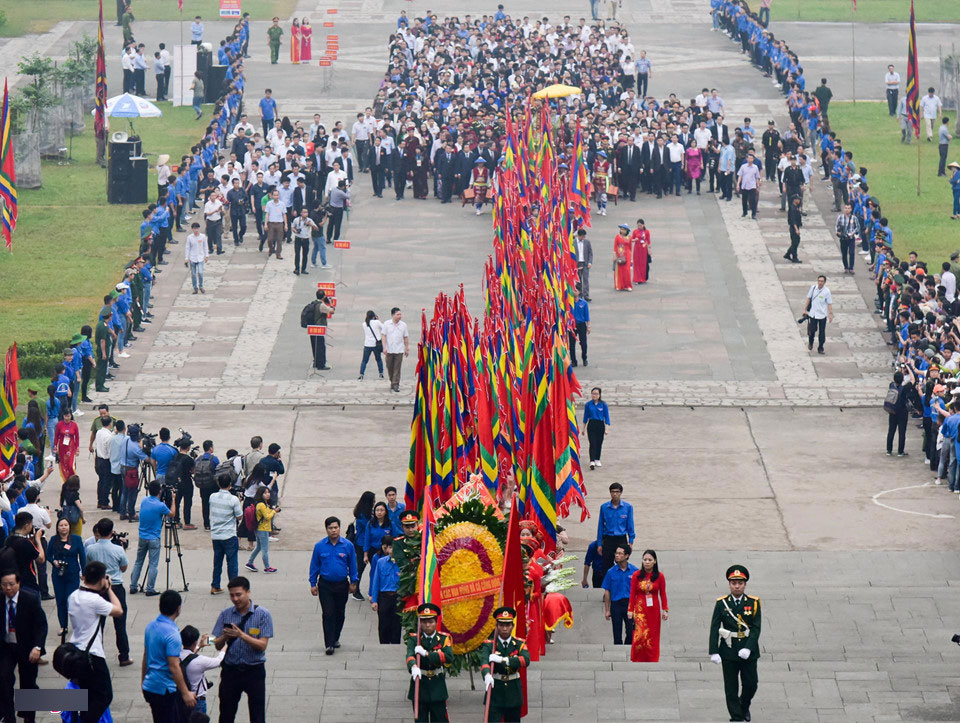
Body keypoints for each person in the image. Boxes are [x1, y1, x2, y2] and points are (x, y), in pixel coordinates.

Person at [66, 561, 124, 723]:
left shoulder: (74, 596)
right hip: (93, 655)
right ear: (101, 580)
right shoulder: (94, 601)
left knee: (87, 695)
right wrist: (110, 589)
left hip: (76, 652)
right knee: (105, 695)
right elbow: (119, 610)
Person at [212, 576, 274, 723]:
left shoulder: (262, 614)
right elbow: (216, 644)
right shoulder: (225, 614)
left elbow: (262, 645)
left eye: (238, 594)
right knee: (226, 713)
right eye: (232, 595)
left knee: (257, 714)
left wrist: (241, 635)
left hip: (254, 670)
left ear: (248, 593)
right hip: (231, 670)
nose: (235, 599)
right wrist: (225, 637)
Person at [709, 565, 761, 723]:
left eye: (740, 583)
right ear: (729, 584)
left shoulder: (754, 603)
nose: (737, 586)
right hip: (729, 650)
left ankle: (744, 706)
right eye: (733, 582)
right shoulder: (721, 604)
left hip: (748, 650)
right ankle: (736, 717)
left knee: (751, 684)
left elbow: (756, 628)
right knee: (731, 688)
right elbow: (714, 627)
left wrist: (748, 647)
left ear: (745, 584)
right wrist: (714, 650)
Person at [141, 590, 197, 719]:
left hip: (150, 685)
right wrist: (185, 693)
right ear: (178, 608)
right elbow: (174, 666)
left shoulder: (151, 626)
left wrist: (143, 681)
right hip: (164, 688)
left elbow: (146, 656)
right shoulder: (173, 634)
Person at [0, 570, 46, 723]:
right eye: (4, 585)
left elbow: (41, 625)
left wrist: (38, 647)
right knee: (3, 679)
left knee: (28, 683)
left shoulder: (30, 600)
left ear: (18, 584)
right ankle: (8, 716)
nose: (8, 588)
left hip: (26, 646)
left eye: (11, 584)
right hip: (6, 647)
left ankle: (28, 716)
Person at [84, 518, 131, 666]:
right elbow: (123, 567)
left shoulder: (91, 549)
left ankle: (97, 654)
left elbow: (88, 565)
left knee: (98, 624)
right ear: (112, 532)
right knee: (120, 624)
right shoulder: (117, 549)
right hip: (115, 586)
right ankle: (123, 656)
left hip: (97, 588)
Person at [308, 516, 358, 654]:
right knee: (328, 613)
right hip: (325, 585)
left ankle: (336, 637)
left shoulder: (348, 545)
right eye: (330, 528)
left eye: (336, 528)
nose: (333, 530)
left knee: (339, 612)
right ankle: (329, 644)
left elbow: (353, 564)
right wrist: (313, 583)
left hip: (342, 585)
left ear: (340, 528)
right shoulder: (320, 546)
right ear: (326, 529)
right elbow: (314, 566)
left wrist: (354, 582)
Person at [406, 602, 452, 722]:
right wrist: (414, 666)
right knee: (420, 719)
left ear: (436, 623)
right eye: (424, 622)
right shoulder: (414, 639)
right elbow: (409, 655)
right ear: (420, 623)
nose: (427, 625)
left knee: (440, 719)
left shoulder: (443, 639)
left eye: (431, 622)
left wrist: (426, 654)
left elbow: (448, 657)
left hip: (437, 685)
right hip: (420, 684)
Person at [45, 517, 85, 638]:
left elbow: (82, 556)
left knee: (71, 600)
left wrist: (84, 572)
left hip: (72, 573)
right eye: (61, 525)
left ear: (69, 527)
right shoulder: (53, 540)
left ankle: (76, 625)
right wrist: (53, 561)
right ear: (57, 527)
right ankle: (63, 625)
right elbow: (48, 555)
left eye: (66, 525)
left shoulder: (76, 540)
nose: (63, 527)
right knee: (60, 600)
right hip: (58, 574)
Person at [129, 481, 171, 596]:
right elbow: (172, 514)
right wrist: (173, 500)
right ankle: (150, 588)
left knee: (139, 561)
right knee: (153, 564)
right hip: (154, 538)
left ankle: (133, 585)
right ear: (159, 491)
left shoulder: (144, 500)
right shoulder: (161, 506)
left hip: (142, 536)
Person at [627, 550, 668, 662]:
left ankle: (652, 657)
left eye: (650, 560)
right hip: (640, 609)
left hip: (653, 610)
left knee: (653, 635)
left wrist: (665, 610)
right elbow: (632, 593)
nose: (647, 562)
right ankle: (637, 657)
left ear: (654, 561)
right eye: (645, 560)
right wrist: (630, 609)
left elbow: (663, 594)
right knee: (639, 634)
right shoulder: (636, 575)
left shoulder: (660, 576)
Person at [179, 625, 225, 716]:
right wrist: (226, 645)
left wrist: (199, 646)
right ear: (195, 641)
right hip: (198, 700)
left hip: (182, 698)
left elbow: (188, 657)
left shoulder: (176, 656)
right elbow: (219, 661)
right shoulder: (200, 661)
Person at [209, 474, 243, 595]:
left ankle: (215, 585)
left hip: (216, 534)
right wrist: (239, 502)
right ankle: (234, 587)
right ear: (230, 485)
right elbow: (239, 516)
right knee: (232, 562)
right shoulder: (233, 499)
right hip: (229, 534)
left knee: (217, 561)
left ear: (219, 483)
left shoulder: (212, 497)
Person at [602, 544, 638, 646]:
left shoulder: (635, 571)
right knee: (617, 633)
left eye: (619, 553)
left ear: (626, 555)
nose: (617, 556)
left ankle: (627, 649)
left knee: (631, 631)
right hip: (616, 604)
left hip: (630, 604)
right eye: (616, 553)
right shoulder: (611, 572)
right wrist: (607, 610)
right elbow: (607, 591)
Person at [596, 482, 635, 576]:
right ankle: (608, 588)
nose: (615, 494)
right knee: (607, 565)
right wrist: (599, 544)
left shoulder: (627, 507)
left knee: (622, 564)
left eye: (617, 492)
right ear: (610, 493)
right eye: (613, 492)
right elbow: (600, 526)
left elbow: (630, 525)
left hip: (621, 538)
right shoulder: (604, 507)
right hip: (608, 539)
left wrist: (630, 541)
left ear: (621, 493)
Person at [368, 536, 401, 644]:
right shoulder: (381, 562)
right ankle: (384, 644)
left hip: (398, 597)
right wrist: (374, 600)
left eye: (394, 547)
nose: (392, 550)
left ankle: (395, 644)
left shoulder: (402, 563)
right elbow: (376, 581)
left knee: (397, 624)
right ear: (387, 549)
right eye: (390, 547)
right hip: (384, 597)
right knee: (383, 624)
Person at [4, 512, 45, 594]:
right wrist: (38, 539)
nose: (31, 527)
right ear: (26, 526)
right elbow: (41, 559)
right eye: (31, 525)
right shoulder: (25, 543)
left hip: (14, 580)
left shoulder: (9, 539)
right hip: (28, 582)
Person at [244, 487, 278, 574]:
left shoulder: (261, 504)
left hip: (260, 529)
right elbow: (267, 516)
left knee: (258, 547)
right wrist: (274, 511)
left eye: (268, 492)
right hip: (263, 529)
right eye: (265, 493)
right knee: (265, 549)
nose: (268, 494)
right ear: (260, 494)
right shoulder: (261, 505)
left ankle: (250, 562)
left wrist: (272, 510)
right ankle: (267, 567)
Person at [887, 366, 917, 457]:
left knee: (891, 430)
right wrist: (908, 367)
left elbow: (897, 378)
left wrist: (899, 372)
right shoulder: (905, 388)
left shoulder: (891, 385)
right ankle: (900, 451)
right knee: (902, 432)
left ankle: (889, 450)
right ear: (903, 379)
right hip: (902, 412)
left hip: (892, 411)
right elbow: (912, 379)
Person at [304, 290, 335, 371]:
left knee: (314, 345)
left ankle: (316, 362)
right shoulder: (322, 306)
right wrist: (331, 303)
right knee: (320, 346)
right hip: (319, 328)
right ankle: (321, 364)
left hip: (312, 327)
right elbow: (332, 311)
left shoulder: (313, 303)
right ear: (324, 296)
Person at [382, 307, 410, 393]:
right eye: (398, 314)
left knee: (397, 368)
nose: (400, 316)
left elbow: (405, 337)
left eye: (400, 314)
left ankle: (395, 384)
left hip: (399, 350)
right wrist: (384, 347)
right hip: (389, 350)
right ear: (393, 315)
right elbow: (383, 336)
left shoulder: (403, 325)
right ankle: (392, 381)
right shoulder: (386, 324)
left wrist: (407, 348)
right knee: (390, 367)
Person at [804, 275, 833, 355]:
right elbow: (808, 298)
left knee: (822, 332)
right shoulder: (813, 288)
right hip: (813, 314)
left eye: (822, 281)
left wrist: (830, 313)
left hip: (822, 315)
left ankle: (820, 347)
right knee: (812, 330)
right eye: (819, 281)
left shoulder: (827, 291)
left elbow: (829, 303)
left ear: (824, 282)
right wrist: (805, 309)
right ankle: (811, 342)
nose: (820, 283)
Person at [582, 387, 610, 470]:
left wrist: (607, 429)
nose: (594, 395)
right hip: (591, 424)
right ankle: (592, 461)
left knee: (599, 443)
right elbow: (585, 418)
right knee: (592, 443)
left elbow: (607, 417)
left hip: (600, 425)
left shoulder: (603, 404)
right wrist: (583, 429)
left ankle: (597, 459)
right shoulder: (588, 405)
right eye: (593, 393)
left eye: (596, 394)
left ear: (599, 395)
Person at [835, 203, 861, 274]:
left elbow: (857, 227)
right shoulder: (840, 217)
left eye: (848, 208)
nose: (847, 210)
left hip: (851, 238)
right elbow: (837, 226)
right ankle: (846, 267)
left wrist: (853, 233)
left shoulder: (854, 218)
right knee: (844, 253)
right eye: (846, 208)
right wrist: (838, 232)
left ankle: (851, 267)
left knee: (852, 253)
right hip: (843, 238)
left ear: (851, 209)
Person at [54, 410, 79, 481]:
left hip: (71, 447)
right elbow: (56, 436)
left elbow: (77, 437)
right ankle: (65, 480)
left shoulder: (74, 425)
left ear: (71, 416)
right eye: (65, 416)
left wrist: (77, 448)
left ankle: (72, 480)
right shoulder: (59, 424)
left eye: (68, 416)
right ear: (63, 416)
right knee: (64, 465)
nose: (67, 418)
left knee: (70, 465)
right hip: (62, 447)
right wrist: (55, 446)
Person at [184, 222, 209, 294]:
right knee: (193, 274)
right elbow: (187, 248)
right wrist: (186, 258)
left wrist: (206, 255)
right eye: (194, 229)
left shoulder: (203, 237)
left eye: (197, 228)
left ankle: (201, 286)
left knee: (200, 272)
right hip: (193, 257)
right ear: (192, 229)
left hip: (200, 257)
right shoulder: (189, 238)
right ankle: (195, 287)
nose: (196, 230)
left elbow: (205, 246)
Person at [359, 310, 385, 380]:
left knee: (364, 360)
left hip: (367, 344)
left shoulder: (364, 324)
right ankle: (381, 374)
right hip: (376, 344)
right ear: (374, 316)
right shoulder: (377, 322)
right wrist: (378, 320)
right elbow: (384, 327)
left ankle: (361, 374)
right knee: (378, 359)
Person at [736, 154, 762, 219]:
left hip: (752, 186)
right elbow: (740, 176)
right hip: (744, 185)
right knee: (744, 200)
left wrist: (758, 185)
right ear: (746, 159)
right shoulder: (743, 167)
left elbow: (757, 177)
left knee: (753, 200)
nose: (750, 159)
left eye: (751, 158)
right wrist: (738, 184)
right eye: (749, 158)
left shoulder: (755, 167)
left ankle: (753, 213)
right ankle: (744, 212)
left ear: (753, 159)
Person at [569, 287, 589, 368]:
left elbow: (587, 315)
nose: (574, 292)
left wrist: (588, 326)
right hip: (572, 325)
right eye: (573, 290)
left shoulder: (583, 303)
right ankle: (573, 361)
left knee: (583, 343)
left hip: (581, 325)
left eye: (576, 290)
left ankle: (584, 358)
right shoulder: (569, 303)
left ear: (579, 292)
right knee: (572, 344)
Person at [630, 219, 651, 284]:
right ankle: (636, 279)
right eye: (638, 226)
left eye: (640, 225)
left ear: (643, 225)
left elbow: (648, 241)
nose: (639, 227)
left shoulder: (647, 232)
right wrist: (635, 239)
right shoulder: (635, 231)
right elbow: (631, 239)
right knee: (636, 264)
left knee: (643, 264)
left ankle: (642, 278)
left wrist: (649, 249)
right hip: (637, 249)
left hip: (643, 250)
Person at [575, 228, 593, 301]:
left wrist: (590, 262)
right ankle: (579, 294)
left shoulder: (587, 242)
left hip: (585, 263)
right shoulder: (573, 242)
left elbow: (590, 253)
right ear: (579, 236)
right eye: (582, 236)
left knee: (585, 279)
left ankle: (586, 295)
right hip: (577, 263)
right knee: (578, 280)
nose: (584, 238)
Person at [613, 224, 632, 292]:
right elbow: (615, 246)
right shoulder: (617, 237)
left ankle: (628, 285)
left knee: (627, 270)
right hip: (619, 255)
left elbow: (630, 248)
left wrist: (631, 258)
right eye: (621, 229)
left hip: (627, 255)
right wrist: (614, 255)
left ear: (627, 231)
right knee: (620, 271)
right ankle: (620, 285)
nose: (622, 230)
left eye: (624, 229)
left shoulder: (629, 237)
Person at [785, 194, 803, 263]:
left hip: (796, 227)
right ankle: (794, 257)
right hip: (794, 228)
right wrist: (796, 229)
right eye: (798, 199)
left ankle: (788, 253)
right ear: (794, 200)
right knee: (795, 242)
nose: (799, 201)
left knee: (796, 241)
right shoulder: (793, 209)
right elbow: (793, 221)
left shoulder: (796, 207)